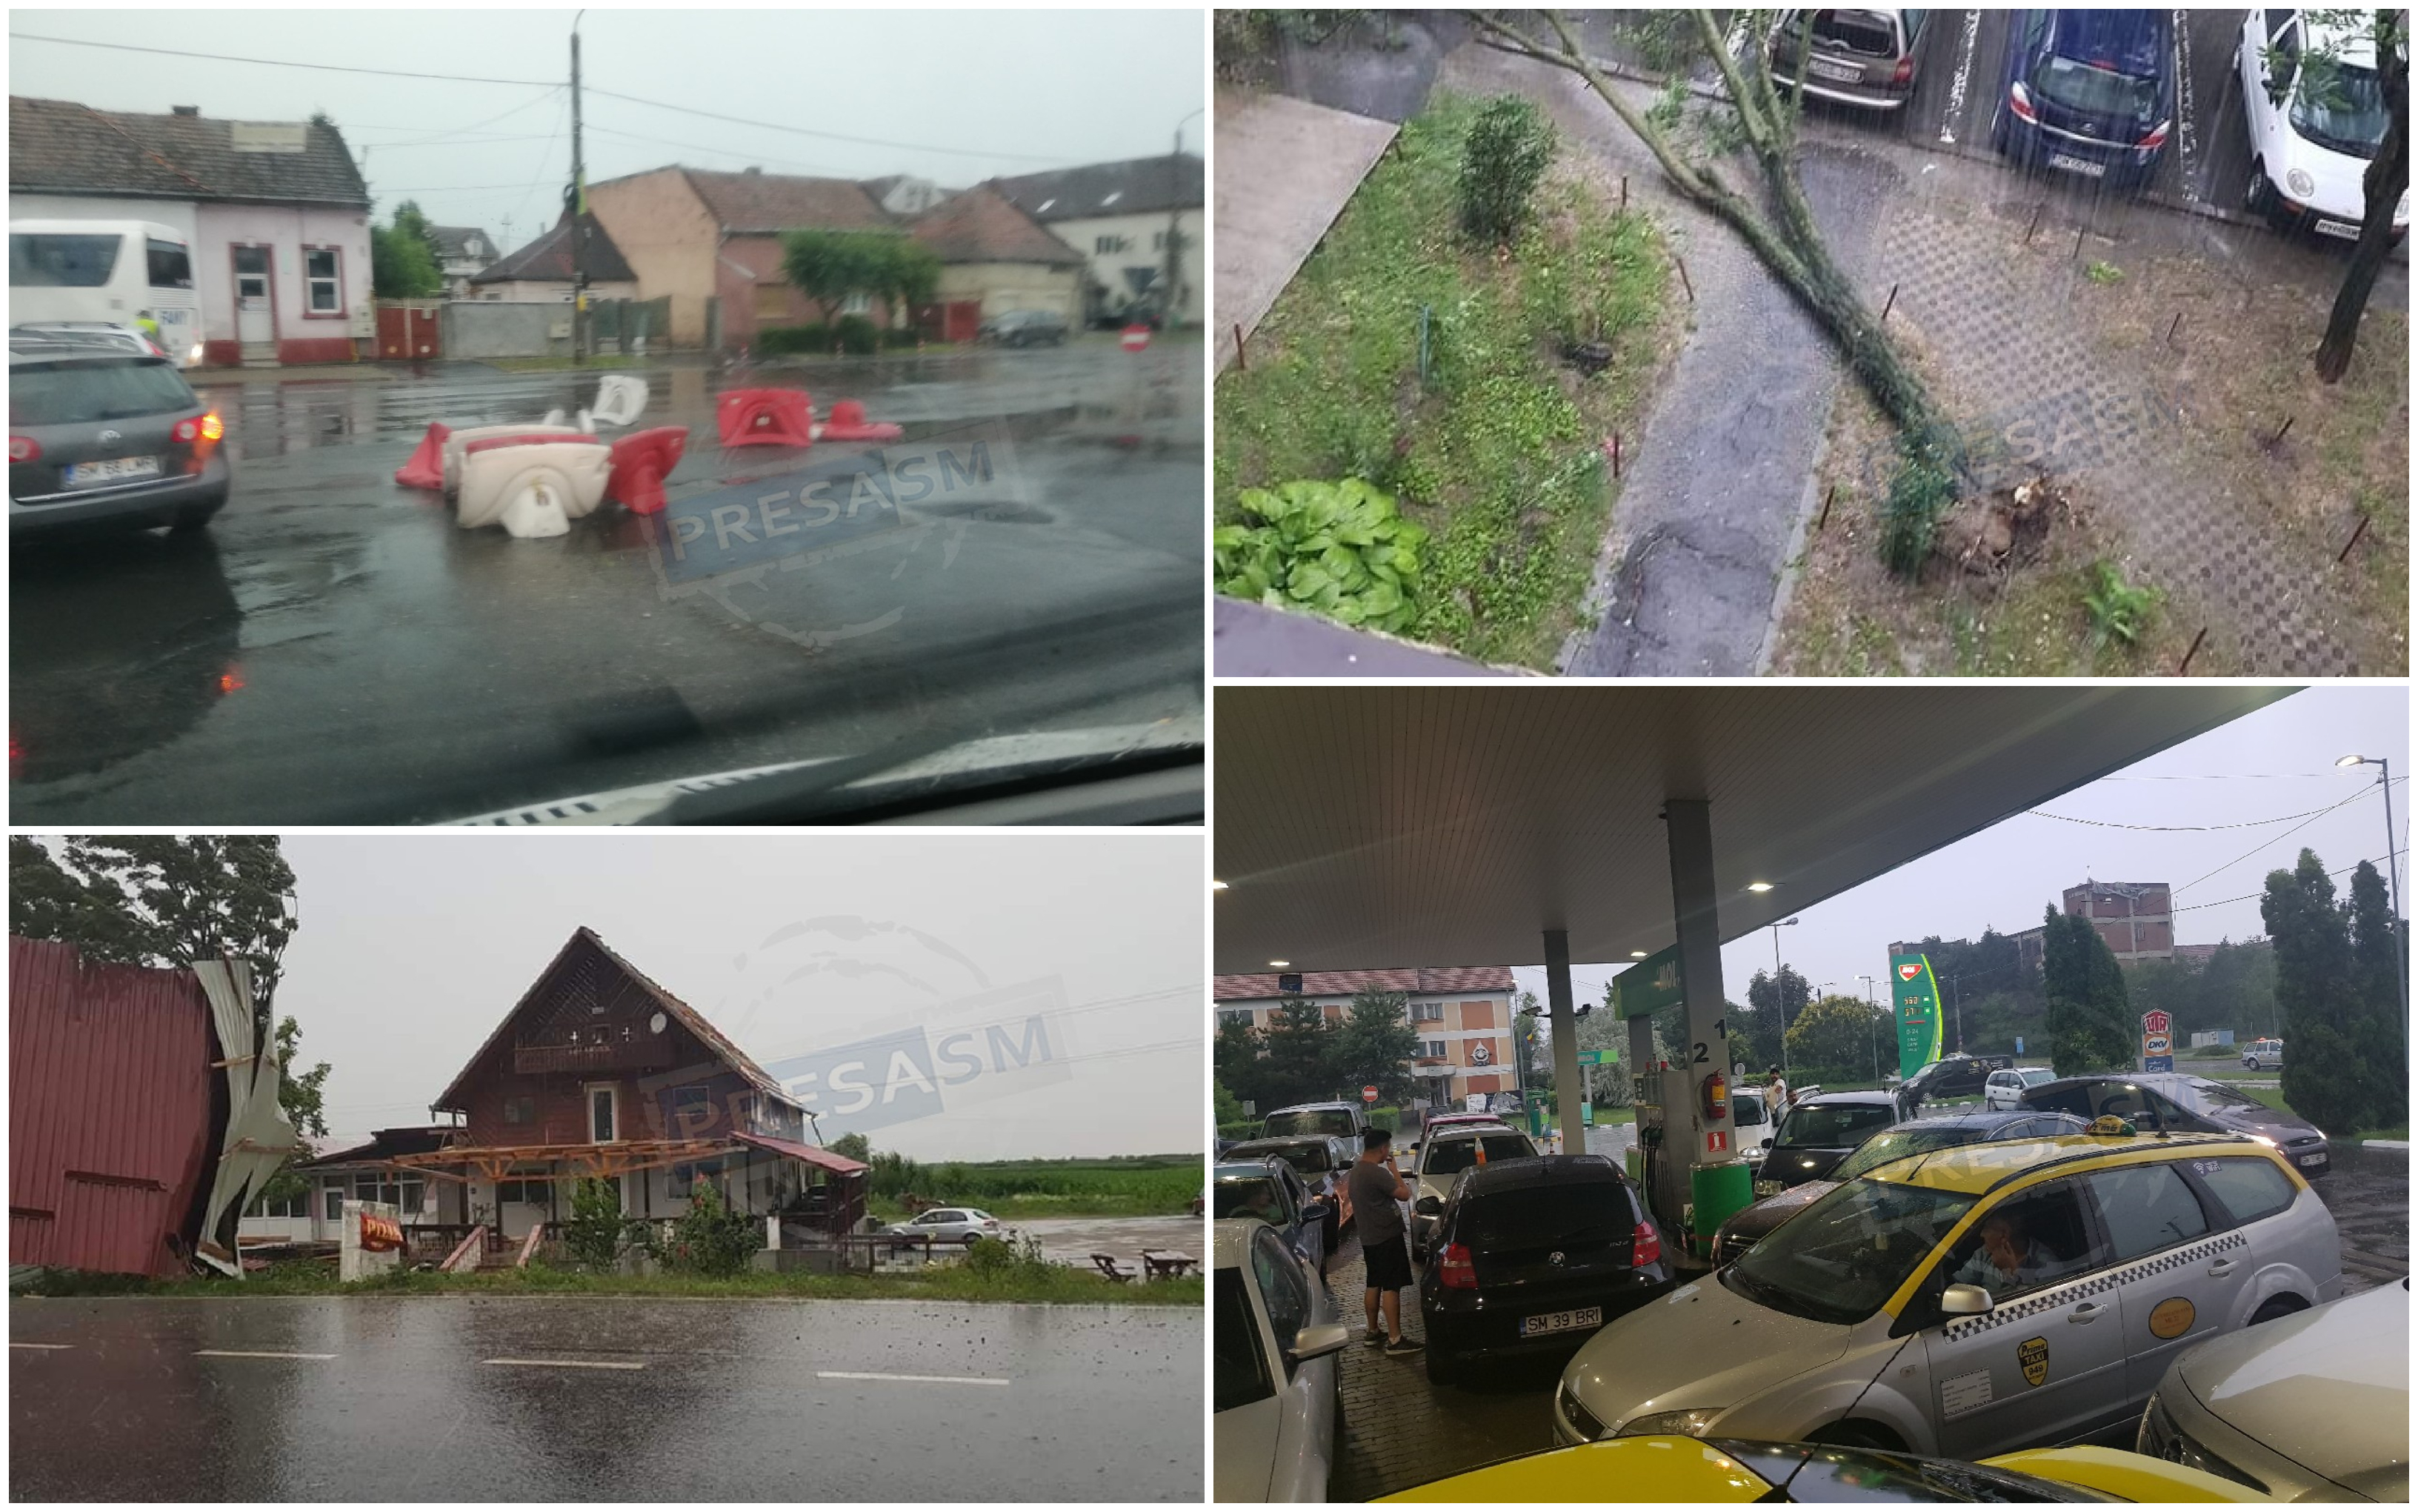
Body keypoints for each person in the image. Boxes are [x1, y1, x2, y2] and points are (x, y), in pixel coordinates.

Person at [1346, 1127, 1420, 1355]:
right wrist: (1395, 1170)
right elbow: (1405, 1195)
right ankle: (1395, 1339)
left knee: (1374, 1282)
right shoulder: (1376, 1173)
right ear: (1382, 1148)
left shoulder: (1356, 1171)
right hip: (1386, 1237)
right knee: (1391, 1286)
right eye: (1387, 1148)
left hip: (1369, 1238)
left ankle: (1372, 1331)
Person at [1951, 1210, 2053, 1295]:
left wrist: (2010, 1273)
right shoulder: (1984, 1253)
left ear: (2004, 1235)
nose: (1982, 1234)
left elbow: (2033, 1305)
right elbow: (1957, 1286)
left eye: (1986, 1228)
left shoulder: (2047, 1265)